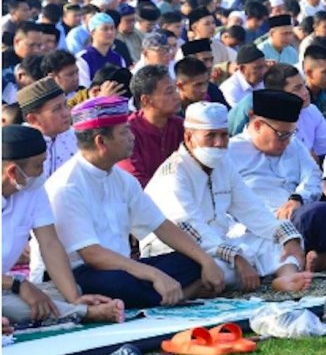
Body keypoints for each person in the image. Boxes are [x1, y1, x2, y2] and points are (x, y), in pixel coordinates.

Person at [33, 96, 225, 308]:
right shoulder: (67, 186)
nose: (132, 137)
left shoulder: (122, 179)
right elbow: (92, 255)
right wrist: (153, 275)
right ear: (101, 142)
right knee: (119, 284)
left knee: (191, 261)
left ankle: (166, 295)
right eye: (125, 132)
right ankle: (178, 294)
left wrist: (206, 260)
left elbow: (162, 225)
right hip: (80, 273)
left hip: (124, 266)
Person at [142, 103, 312, 293]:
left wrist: (288, 238)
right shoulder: (173, 173)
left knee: (278, 238)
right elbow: (189, 230)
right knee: (216, 267)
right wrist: (236, 257)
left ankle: (287, 278)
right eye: (210, 136)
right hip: (180, 252)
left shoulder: (223, 164)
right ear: (189, 137)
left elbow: (253, 210)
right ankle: (198, 289)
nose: (219, 143)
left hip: (220, 243)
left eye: (223, 135)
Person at [230, 90, 326, 271]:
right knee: (318, 212)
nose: (287, 141)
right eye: (281, 135)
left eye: (291, 133)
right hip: (273, 226)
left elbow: (313, 175)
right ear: (257, 125)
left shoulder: (293, 143)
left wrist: (298, 197)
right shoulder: (231, 152)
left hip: (303, 212)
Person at [3, 126, 125, 328]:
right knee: (15, 306)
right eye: (38, 166)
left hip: (7, 287)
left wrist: (74, 296)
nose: (43, 171)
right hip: (8, 288)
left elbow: (50, 243)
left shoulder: (32, 190)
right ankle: (86, 313)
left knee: (66, 289)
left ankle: (72, 307)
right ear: (13, 172)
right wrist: (18, 284)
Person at [117, 64, 184, 187]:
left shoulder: (180, 126)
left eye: (175, 89)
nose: (177, 96)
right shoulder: (127, 132)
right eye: (169, 92)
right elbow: (136, 182)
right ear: (146, 100)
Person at [16, 78, 75, 181]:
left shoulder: (75, 136)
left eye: (65, 104)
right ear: (33, 119)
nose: (66, 113)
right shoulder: (20, 148)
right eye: (57, 109)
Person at [75, 12, 127, 88]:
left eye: (112, 28)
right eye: (105, 29)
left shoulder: (118, 58)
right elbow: (84, 88)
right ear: (92, 32)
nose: (110, 32)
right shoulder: (82, 59)